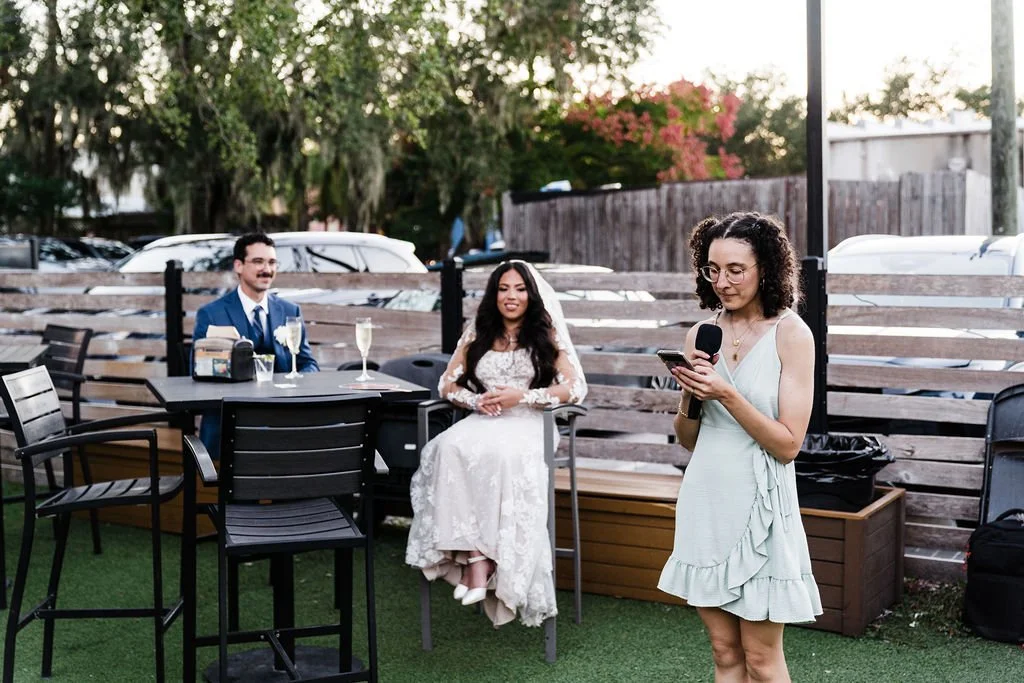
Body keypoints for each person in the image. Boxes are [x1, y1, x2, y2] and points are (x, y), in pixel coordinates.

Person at [657, 212, 822, 682]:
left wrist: (726, 393)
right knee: (725, 654)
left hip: (762, 507)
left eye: (735, 270)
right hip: (706, 500)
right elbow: (689, 438)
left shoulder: (791, 335)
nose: (723, 282)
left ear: (766, 268)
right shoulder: (700, 334)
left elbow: (789, 445)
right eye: (713, 269)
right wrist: (691, 392)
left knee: (762, 660)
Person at [405, 260, 587, 627]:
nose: (511, 296)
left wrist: (522, 397)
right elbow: (447, 384)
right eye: (504, 288)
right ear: (494, 293)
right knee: (445, 448)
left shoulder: (547, 333)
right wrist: (476, 401)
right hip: (484, 419)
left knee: (501, 456)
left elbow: (575, 388)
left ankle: (493, 566)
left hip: (529, 421)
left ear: (531, 295)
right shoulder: (480, 331)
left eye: (519, 289)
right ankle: (476, 559)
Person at [192, 233, 319, 455]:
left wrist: (294, 386)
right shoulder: (211, 314)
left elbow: (308, 364)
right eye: (258, 261)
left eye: (272, 262)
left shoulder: (290, 311)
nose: (267, 269)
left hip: (284, 421)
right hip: (231, 424)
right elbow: (200, 374)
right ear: (239, 266)